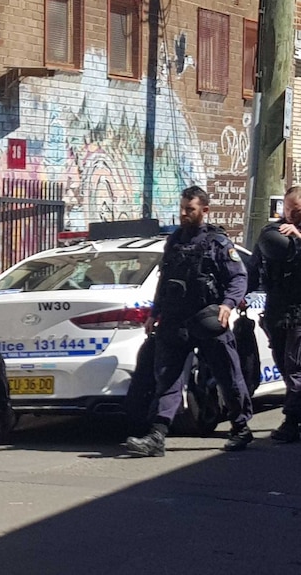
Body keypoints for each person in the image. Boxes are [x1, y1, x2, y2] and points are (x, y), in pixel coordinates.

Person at [125, 185, 253, 456]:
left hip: (208, 320)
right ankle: (156, 436)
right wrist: (153, 314)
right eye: (182, 208)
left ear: (204, 210)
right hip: (175, 321)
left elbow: (239, 277)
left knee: (227, 375)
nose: (184, 214)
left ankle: (241, 427)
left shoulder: (217, 243)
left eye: (190, 209)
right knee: (167, 379)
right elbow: (165, 281)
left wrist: (227, 305)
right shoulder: (174, 242)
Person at [246, 185, 301, 443]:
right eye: (288, 209)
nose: (290, 214)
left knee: (295, 366)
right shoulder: (272, 234)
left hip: (299, 311)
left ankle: (291, 421)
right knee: (283, 362)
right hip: (276, 310)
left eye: (297, 210)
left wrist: (299, 237)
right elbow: (255, 265)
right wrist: (243, 296)